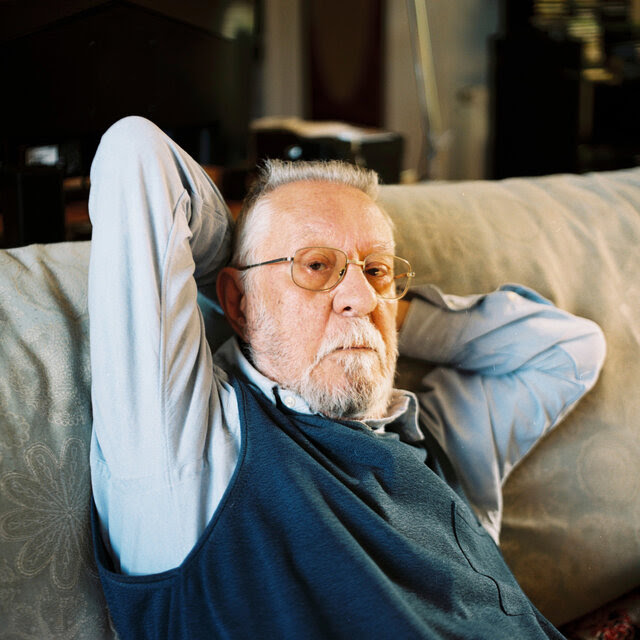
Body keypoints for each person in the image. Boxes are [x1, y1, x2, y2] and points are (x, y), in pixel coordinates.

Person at [88, 116, 606, 640]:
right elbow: (136, 153)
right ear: (237, 304)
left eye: (377, 270)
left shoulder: (442, 440)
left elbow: (569, 352)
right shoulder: (188, 452)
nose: (360, 296)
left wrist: (387, 309)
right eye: (315, 266)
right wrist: (247, 263)